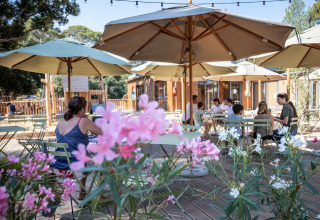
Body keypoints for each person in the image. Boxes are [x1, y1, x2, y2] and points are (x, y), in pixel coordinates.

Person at [52, 96, 102, 200]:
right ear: (82, 109)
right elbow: (102, 133)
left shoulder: (59, 124)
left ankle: (82, 194)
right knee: (103, 164)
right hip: (75, 167)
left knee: (83, 157)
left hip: (58, 166)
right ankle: (101, 195)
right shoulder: (83, 121)